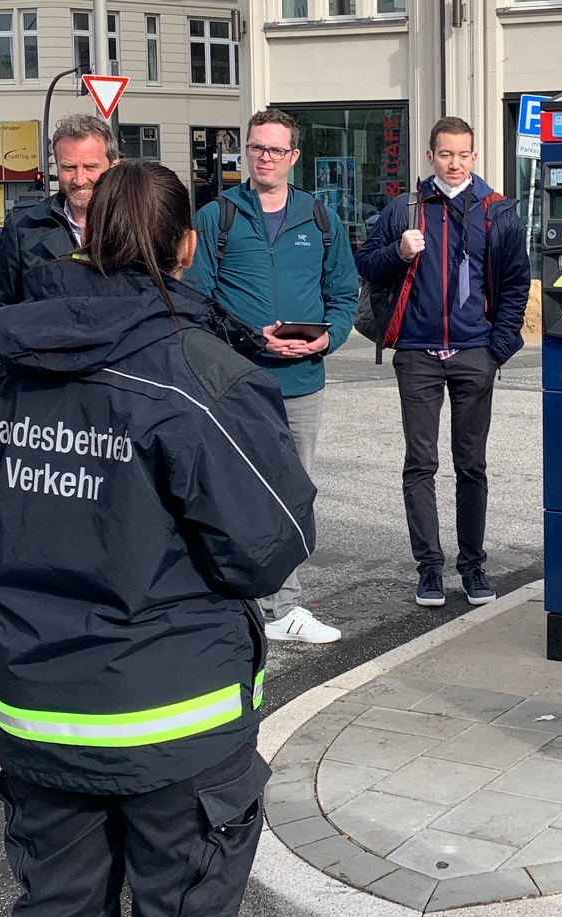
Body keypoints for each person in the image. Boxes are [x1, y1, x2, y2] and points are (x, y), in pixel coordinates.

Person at [0, 160, 315, 917]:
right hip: (177, 719)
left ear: (88, 236)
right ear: (186, 248)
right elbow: (270, 543)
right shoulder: (200, 373)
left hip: (41, 704)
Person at [185, 108, 357, 645]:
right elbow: (199, 300)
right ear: (246, 153)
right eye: (257, 148)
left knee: (294, 492)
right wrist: (254, 339)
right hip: (240, 383)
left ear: (293, 157)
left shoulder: (320, 218)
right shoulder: (218, 217)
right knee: (235, 491)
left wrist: (330, 335)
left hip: (303, 381)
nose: (265, 157)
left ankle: (284, 605)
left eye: (276, 150)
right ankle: (243, 603)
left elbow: (345, 295)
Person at [356, 116, 529, 609]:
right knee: (421, 465)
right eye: (446, 154)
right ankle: (429, 569)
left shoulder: (498, 213)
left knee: (471, 465)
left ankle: (473, 566)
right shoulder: (404, 209)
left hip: (476, 353)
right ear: (430, 156)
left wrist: (498, 348)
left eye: (464, 154)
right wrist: (397, 250)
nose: (455, 163)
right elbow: (365, 265)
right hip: (418, 354)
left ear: (475, 157)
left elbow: (517, 284)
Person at [0, 114, 120, 307]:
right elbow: (8, 310)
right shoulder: (23, 228)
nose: (79, 179)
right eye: (68, 167)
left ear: (114, 166)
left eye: (90, 167)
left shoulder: (137, 223)